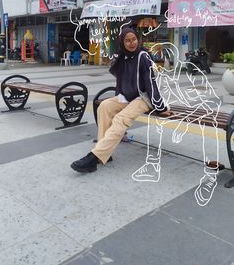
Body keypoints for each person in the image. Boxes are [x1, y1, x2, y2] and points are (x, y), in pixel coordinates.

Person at [132, 42, 221, 207]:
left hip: (202, 110)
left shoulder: (188, 71)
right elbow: (156, 94)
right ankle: (152, 165)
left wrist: (182, 127)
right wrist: (160, 108)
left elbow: (207, 103)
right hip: (180, 109)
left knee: (205, 124)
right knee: (157, 117)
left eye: (160, 58)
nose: (155, 63)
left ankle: (210, 179)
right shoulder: (163, 75)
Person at [70, 28, 171, 173]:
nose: (132, 43)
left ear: (138, 39)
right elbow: (119, 78)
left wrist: (161, 107)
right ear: (122, 42)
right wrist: (118, 59)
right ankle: (105, 153)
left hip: (143, 97)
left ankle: (94, 156)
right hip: (127, 96)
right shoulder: (123, 56)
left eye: (134, 39)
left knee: (120, 119)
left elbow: (151, 83)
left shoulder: (143, 57)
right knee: (104, 106)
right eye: (127, 40)